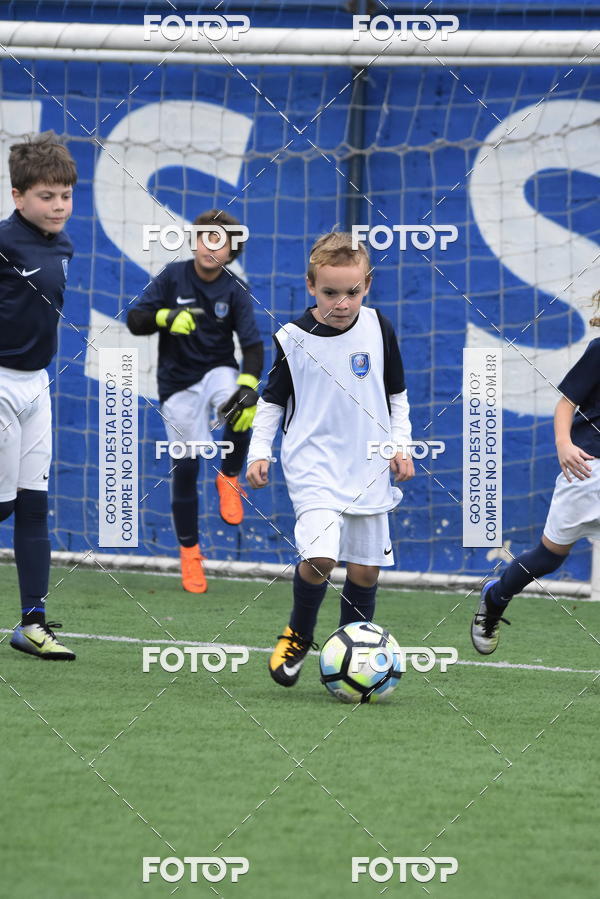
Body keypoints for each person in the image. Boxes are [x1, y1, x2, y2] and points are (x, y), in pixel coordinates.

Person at [246, 230, 414, 686]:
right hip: (313, 465)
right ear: (310, 286)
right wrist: (259, 452)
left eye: (352, 292)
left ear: (367, 286)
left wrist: (400, 444)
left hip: (368, 466)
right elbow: (271, 402)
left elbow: (397, 396)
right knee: (321, 558)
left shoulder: (379, 328)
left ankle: (348, 649)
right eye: (330, 292)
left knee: (364, 569)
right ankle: (298, 633)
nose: (342, 302)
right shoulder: (292, 338)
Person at [127, 209, 263, 594]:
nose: (211, 246)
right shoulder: (173, 276)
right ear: (195, 241)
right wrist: (166, 317)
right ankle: (190, 554)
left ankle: (230, 476)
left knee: (241, 407)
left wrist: (248, 385)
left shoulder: (235, 290)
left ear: (232, 252)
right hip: (177, 384)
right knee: (185, 468)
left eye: (221, 241)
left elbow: (252, 347)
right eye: (206, 237)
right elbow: (136, 319)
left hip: (218, 370)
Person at [472, 298, 600, 654]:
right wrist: (563, 443)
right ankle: (495, 598)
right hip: (589, 471)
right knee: (549, 557)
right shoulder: (599, 350)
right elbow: (565, 402)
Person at [0, 131, 77, 660]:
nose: (58, 206)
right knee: (2, 505)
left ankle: (32, 623)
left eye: (66, 195)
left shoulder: (64, 245)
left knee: (34, 506)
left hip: (37, 385)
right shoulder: (2, 243)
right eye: (46, 196)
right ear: (18, 197)